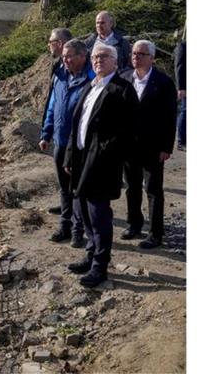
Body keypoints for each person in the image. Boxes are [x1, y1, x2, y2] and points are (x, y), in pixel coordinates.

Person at [63, 43, 138, 287]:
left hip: (102, 163)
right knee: (83, 211)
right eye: (95, 57)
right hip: (82, 159)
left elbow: (127, 132)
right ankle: (90, 254)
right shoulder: (90, 86)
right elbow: (78, 126)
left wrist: (103, 154)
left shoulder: (122, 90)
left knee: (99, 216)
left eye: (104, 57)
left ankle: (100, 267)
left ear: (116, 61)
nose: (98, 60)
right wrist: (70, 157)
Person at [119, 40, 177, 249]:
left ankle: (155, 233)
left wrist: (166, 147)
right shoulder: (124, 78)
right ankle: (134, 223)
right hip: (129, 145)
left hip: (153, 145)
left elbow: (170, 117)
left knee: (153, 189)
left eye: (142, 54)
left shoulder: (163, 82)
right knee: (132, 186)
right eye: (134, 53)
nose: (137, 57)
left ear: (152, 58)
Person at [39, 39, 94, 247]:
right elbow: (52, 107)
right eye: (64, 57)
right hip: (60, 142)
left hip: (79, 145)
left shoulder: (91, 79)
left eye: (70, 57)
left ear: (83, 56)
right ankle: (65, 225)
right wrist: (46, 134)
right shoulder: (60, 76)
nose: (66, 60)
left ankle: (78, 231)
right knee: (64, 188)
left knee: (78, 190)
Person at [41, 28, 73, 215]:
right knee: (62, 178)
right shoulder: (57, 67)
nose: (49, 45)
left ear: (60, 44)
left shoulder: (83, 72)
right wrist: (46, 131)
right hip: (59, 133)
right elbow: (53, 103)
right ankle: (66, 208)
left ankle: (75, 220)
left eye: (51, 41)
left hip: (73, 136)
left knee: (73, 177)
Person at [174, 32, 186, 150]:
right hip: (186, 86)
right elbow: (179, 67)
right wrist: (181, 87)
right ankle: (181, 140)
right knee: (185, 110)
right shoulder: (183, 46)